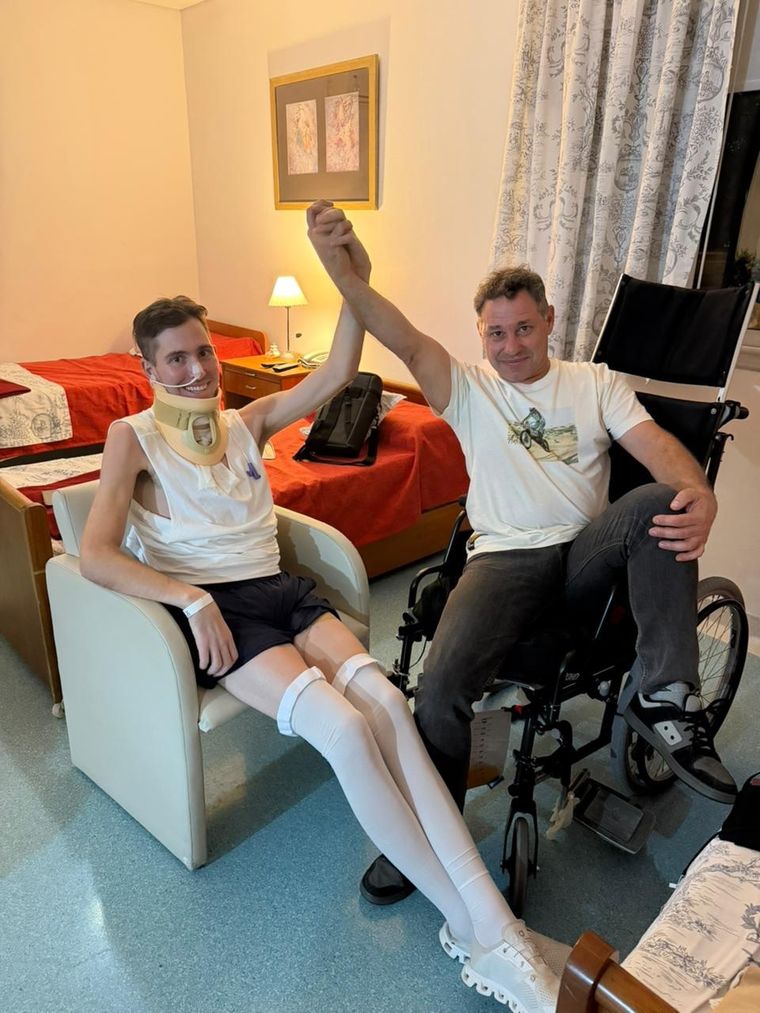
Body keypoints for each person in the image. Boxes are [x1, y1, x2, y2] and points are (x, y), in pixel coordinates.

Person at [79, 215, 560, 1013]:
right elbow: (96, 552)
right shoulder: (131, 438)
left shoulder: (244, 422)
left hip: (281, 589)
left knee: (390, 708)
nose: (197, 370)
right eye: (177, 358)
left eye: (204, 352)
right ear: (148, 367)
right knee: (343, 730)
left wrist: (349, 278)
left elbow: (339, 370)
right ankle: (472, 924)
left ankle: (493, 922)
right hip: (224, 612)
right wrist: (189, 597)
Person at [305, 200, 738, 908]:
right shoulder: (469, 389)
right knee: (440, 688)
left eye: (524, 328)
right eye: (496, 333)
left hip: (586, 555)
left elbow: (656, 446)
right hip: (504, 559)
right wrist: (345, 272)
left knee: (665, 498)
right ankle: (429, 837)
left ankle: (667, 695)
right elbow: (403, 338)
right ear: (481, 334)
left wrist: (701, 494)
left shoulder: (594, 382)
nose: (510, 346)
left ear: (549, 321)